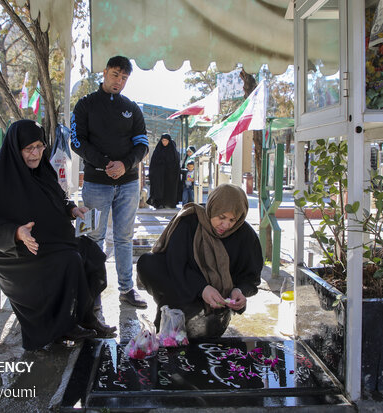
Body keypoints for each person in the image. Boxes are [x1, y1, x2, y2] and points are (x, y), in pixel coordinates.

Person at [0, 119, 117, 351]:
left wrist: (73, 210)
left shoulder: (43, 171)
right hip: (18, 253)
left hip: (49, 241)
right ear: (16, 148)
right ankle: (61, 328)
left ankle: (85, 317)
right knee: (69, 261)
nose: (35, 154)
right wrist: (17, 233)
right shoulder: (0, 180)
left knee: (91, 253)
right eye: (29, 148)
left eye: (40, 147)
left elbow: (58, 199)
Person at [71, 55, 149, 308]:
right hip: (95, 184)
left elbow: (142, 144)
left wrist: (125, 164)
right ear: (104, 73)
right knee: (91, 236)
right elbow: (77, 140)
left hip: (128, 184)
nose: (119, 81)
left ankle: (126, 290)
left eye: (124, 77)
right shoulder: (85, 105)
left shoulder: (132, 108)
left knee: (124, 238)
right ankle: (91, 290)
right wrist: (105, 163)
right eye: (116, 75)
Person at [137, 184, 263, 338]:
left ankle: (185, 316)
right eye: (221, 217)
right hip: (186, 288)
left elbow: (251, 277)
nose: (226, 225)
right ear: (212, 208)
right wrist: (202, 288)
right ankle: (171, 313)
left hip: (216, 303)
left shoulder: (245, 235)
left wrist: (239, 291)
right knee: (148, 263)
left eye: (232, 220)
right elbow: (174, 263)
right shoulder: (190, 220)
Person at [147, 133, 180, 209]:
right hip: (159, 175)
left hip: (170, 175)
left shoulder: (173, 151)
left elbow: (176, 164)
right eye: (163, 140)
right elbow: (153, 163)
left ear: (169, 141)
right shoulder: (158, 150)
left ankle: (169, 203)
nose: (164, 142)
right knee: (159, 189)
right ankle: (159, 203)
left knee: (169, 189)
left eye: (166, 140)